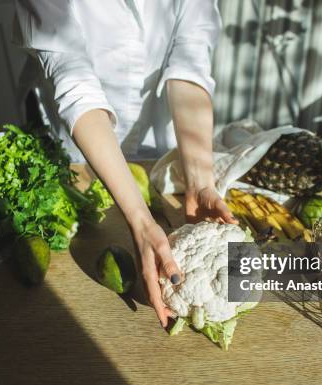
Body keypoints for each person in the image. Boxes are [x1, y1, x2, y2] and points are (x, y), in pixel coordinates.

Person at [15, 0, 237, 328]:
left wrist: (201, 182)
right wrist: (141, 221)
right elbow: (77, 90)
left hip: (154, 132)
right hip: (75, 144)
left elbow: (189, 65)